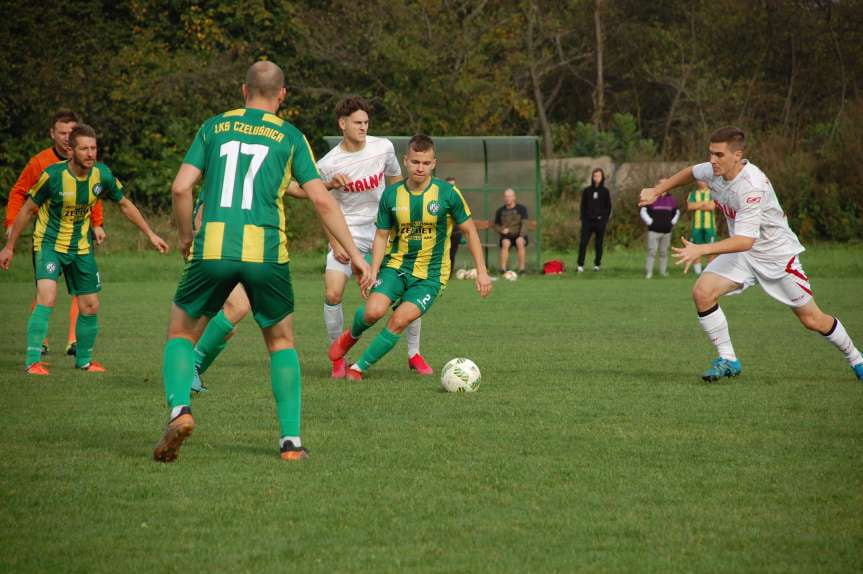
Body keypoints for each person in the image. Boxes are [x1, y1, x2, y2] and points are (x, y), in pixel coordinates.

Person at [152, 61, 371, 463]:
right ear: (282, 94)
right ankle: (290, 443)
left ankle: (180, 410)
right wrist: (356, 256)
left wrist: (186, 236)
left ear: (243, 90)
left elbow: (181, 187)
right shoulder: (289, 136)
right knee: (281, 342)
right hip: (266, 254)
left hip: (213, 248)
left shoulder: (213, 127)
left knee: (181, 333)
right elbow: (322, 199)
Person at [639, 126, 863, 382]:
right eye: (711, 153)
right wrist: (656, 191)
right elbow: (690, 172)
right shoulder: (714, 170)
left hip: (776, 257)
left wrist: (702, 249)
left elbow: (745, 240)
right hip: (743, 255)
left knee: (812, 320)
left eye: (719, 155)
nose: (712, 160)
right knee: (702, 292)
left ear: (738, 155)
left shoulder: (751, 186)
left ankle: (856, 358)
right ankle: (728, 359)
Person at [1, 124, 168, 374]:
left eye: (94, 148)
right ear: (71, 150)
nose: (90, 154)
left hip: (81, 248)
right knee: (47, 296)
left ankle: (84, 361)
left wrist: (150, 234)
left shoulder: (102, 175)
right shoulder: (52, 176)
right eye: (84, 149)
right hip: (49, 244)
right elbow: (27, 210)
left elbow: (125, 204)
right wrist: (9, 246)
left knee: (90, 304)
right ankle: (33, 360)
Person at [328, 134, 492, 380]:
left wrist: (481, 271)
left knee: (399, 319)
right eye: (415, 162)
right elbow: (382, 236)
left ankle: (359, 367)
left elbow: (469, 229)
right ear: (406, 161)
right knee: (373, 311)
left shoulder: (448, 193)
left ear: (434, 163)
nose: (420, 168)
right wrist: (373, 270)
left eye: (426, 163)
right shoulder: (392, 195)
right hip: (396, 267)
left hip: (431, 275)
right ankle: (350, 336)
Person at [316, 96, 432, 378]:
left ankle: (413, 353)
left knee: (407, 288)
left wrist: (400, 221)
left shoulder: (383, 148)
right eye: (357, 122)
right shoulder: (329, 164)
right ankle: (338, 356)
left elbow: (395, 183)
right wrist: (334, 241)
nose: (364, 127)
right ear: (342, 124)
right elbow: (322, 205)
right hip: (348, 234)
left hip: (383, 230)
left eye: (366, 122)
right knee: (332, 292)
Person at [5, 109, 106, 357]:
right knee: (46, 290)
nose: (66, 137)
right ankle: (40, 344)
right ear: (53, 134)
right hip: (49, 237)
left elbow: (94, 192)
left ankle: (74, 342)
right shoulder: (41, 163)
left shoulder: (90, 166)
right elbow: (20, 193)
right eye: (62, 132)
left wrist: (97, 223)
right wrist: (11, 223)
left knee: (83, 294)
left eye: (70, 132)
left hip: (78, 239)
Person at [639, 183, 679, 278]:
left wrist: (671, 223)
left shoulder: (671, 200)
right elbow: (643, 211)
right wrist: (651, 222)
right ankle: (649, 272)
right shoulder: (652, 198)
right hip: (653, 231)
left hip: (666, 231)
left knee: (663, 252)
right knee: (651, 252)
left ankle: (663, 272)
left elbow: (676, 212)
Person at [577, 167, 611, 272]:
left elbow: (608, 207)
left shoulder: (605, 191)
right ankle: (580, 265)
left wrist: (603, 219)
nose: (596, 178)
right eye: (595, 176)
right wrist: (584, 218)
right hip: (587, 221)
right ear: (592, 177)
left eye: (599, 176)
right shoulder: (587, 191)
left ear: (602, 177)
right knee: (583, 242)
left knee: (598, 244)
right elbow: (582, 206)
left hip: (600, 222)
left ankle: (597, 265)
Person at [493, 188, 529, 273]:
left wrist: (521, 236)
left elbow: (525, 223)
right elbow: (496, 225)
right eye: (506, 197)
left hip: (519, 234)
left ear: (514, 197)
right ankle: (503, 270)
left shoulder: (521, 209)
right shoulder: (500, 210)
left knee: (519, 242)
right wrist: (501, 230)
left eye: (509, 196)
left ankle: (522, 269)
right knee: (505, 243)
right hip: (507, 236)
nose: (508, 198)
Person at [687, 180, 717, 274]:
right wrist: (704, 203)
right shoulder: (692, 194)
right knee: (695, 248)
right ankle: (698, 273)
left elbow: (712, 206)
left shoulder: (713, 193)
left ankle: (709, 271)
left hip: (710, 227)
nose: (701, 182)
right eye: (699, 180)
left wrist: (697, 205)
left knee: (711, 250)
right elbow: (690, 207)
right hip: (696, 227)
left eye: (703, 180)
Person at [445, 176, 463, 278]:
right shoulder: (439, 198)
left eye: (453, 185)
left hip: (455, 232)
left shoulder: (458, 198)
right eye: (449, 185)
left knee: (452, 253)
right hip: (443, 231)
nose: (451, 187)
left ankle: (449, 274)